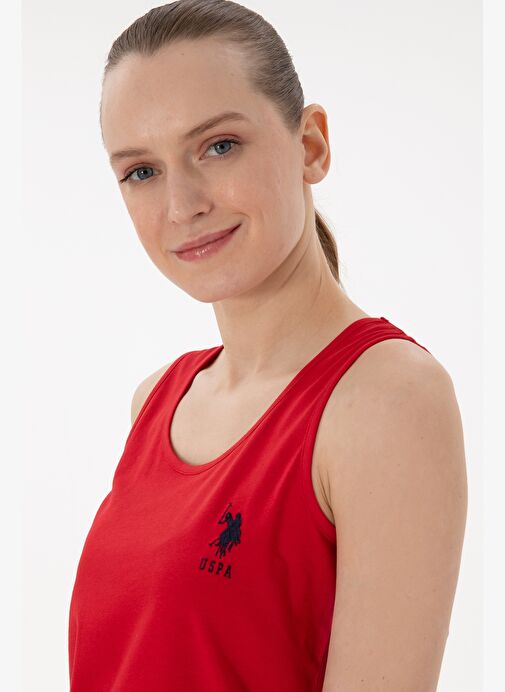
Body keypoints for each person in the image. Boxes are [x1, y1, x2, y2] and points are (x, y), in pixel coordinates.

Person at [68, 1, 468, 690]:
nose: (182, 205)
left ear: (310, 145)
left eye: (219, 146)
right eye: (142, 171)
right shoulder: (155, 401)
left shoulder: (387, 401)